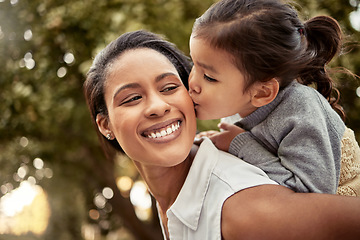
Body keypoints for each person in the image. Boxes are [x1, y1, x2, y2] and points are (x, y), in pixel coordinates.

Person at [83, 29, 360, 240]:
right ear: (105, 124)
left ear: (191, 94)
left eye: (169, 88)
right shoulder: (177, 196)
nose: (157, 107)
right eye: (131, 98)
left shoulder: (235, 202)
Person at [188, 0, 360, 195]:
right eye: (194, 63)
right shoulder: (240, 106)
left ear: (262, 92)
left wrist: (239, 144)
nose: (192, 82)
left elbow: (312, 196)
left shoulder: (300, 111)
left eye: (209, 77)